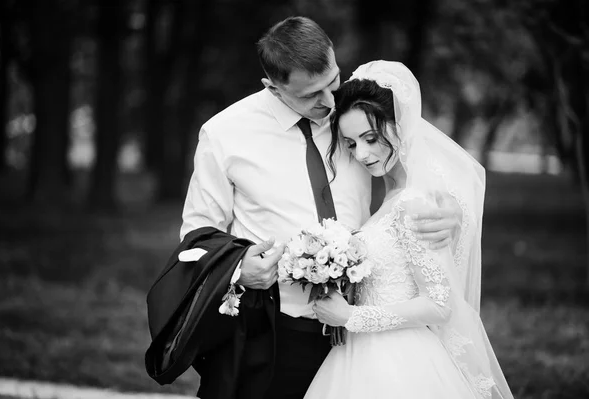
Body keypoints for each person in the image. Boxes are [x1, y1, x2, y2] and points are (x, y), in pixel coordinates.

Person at [180, 17, 461, 399]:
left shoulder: (355, 117)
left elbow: (411, 172)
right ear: (273, 87)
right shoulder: (224, 133)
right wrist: (239, 269)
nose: (329, 102)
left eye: (333, 81)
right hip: (271, 328)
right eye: (311, 94)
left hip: (358, 337)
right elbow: (196, 235)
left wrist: (451, 212)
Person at [304, 61, 514, 399]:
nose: (362, 153)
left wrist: (352, 317)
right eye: (351, 143)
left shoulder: (415, 201)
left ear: (399, 125)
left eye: (370, 138)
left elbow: (439, 305)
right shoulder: (393, 193)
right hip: (364, 355)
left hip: (400, 361)